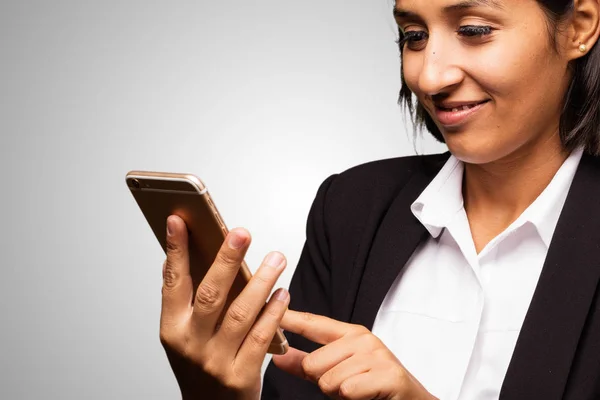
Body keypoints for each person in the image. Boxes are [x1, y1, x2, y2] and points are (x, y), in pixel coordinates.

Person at [157, 0, 600, 399]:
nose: (429, 77)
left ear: (579, 27)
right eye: (414, 36)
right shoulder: (352, 206)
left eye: (473, 30)